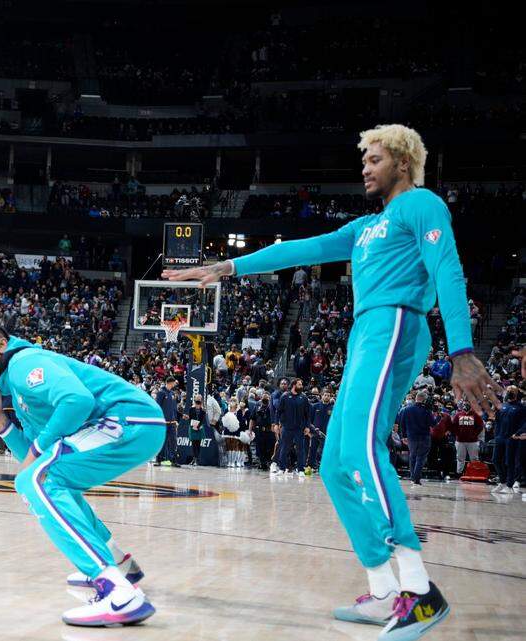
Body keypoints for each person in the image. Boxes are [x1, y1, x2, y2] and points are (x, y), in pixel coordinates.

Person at [163, 124, 500, 639]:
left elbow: (449, 270)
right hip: (367, 332)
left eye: (376, 158)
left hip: (396, 324)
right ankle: (384, 589)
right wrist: (228, 267)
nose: (365, 167)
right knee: (335, 465)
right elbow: (300, 248)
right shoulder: (366, 226)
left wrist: (462, 350)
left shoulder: (422, 205)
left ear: (403, 164)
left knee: (364, 450)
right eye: (364, 159)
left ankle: (419, 590)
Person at [0, 319, 163, 627]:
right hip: (136, 425)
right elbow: (31, 456)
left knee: (38, 480)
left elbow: (77, 400)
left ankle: (118, 594)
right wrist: (0, 422)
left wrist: (37, 453)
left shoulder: (25, 364)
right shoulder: (15, 387)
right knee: (49, 479)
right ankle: (120, 566)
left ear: (1, 345)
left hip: (128, 419)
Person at [490, 386, 524, 493]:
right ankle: (502, 481)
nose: (509, 392)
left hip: (511, 438)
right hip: (500, 437)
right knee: (495, 460)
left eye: (512, 391)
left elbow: (524, 423)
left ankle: (509, 486)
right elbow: (496, 421)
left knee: (509, 462)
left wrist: (518, 433)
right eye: (508, 391)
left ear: (516, 393)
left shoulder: (521, 408)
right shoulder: (502, 406)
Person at [397, 391, 435, 486]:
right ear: (423, 399)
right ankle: (416, 478)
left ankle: (412, 477)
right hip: (424, 437)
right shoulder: (427, 410)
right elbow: (433, 424)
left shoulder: (406, 409)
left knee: (412, 456)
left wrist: (404, 436)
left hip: (411, 437)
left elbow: (402, 424)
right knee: (420, 458)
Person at [275, 378, 311, 477]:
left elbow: (307, 414)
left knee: (300, 449)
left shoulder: (303, 398)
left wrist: (307, 426)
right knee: (284, 448)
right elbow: (278, 412)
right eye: (299, 385)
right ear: (294, 385)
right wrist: (276, 424)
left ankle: (301, 469)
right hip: (287, 427)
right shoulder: (285, 396)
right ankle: (281, 468)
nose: (301, 386)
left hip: (299, 428)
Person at [445, 401, 484, 475]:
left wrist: (474, 435)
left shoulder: (476, 415)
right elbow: (453, 426)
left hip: (473, 441)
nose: (466, 405)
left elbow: (480, 427)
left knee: (474, 458)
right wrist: (458, 434)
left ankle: (474, 473)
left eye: (468, 404)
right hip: (460, 441)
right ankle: (459, 473)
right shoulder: (458, 415)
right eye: (464, 404)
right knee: (460, 458)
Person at [153, 376, 182, 467]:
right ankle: (159, 459)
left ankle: (173, 460)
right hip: (163, 423)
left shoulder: (172, 393)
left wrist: (176, 419)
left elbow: (174, 408)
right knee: (162, 441)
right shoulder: (161, 393)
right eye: (174, 383)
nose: (174, 385)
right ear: (170, 382)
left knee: (173, 442)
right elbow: (157, 407)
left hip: (172, 423)